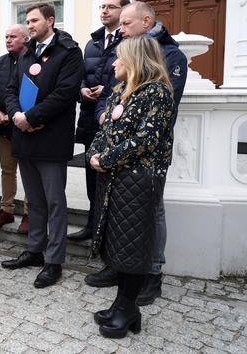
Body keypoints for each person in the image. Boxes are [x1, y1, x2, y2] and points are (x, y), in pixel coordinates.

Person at [85, 2, 187, 305]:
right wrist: (104, 125)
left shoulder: (169, 59)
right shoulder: (123, 67)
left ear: (146, 22)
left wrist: (108, 155)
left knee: (148, 216)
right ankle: (119, 268)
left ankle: (149, 275)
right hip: (117, 158)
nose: (121, 29)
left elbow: (153, 126)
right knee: (119, 216)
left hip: (142, 165)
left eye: (126, 24)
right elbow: (108, 95)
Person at [88, 36, 175, 339]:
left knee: (134, 244)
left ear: (136, 60)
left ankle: (127, 307)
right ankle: (123, 305)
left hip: (140, 178)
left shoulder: (158, 93)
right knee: (119, 241)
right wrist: (94, 154)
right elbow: (105, 130)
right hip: (114, 176)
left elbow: (145, 140)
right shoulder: (120, 92)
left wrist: (106, 159)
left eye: (120, 58)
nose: (114, 63)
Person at [0, 3, 83, 289]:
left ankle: (54, 260)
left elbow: (65, 93)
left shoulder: (69, 52)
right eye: (27, 20)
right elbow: (11, 90)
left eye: (34, 20)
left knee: (55, 202)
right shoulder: (27, 53)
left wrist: (32, 117)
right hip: (25, 138)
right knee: (34, 200)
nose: (30, 24)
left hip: (51, 138)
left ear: (51, 20)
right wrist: (16, 116)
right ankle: (35, 250)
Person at [68, 0, 129, 242]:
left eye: (111, 7)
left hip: (114, 118)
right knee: (91, 175)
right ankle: (92, 225)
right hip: (90, 116)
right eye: (102, 6)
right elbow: (81, 73)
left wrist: (110, 91)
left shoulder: (128, 42)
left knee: (111, 176)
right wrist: (82, 89)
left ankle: (109, 231)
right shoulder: (92, 43)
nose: (104, 11)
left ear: (123, 12)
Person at [0, 24, 30, 233]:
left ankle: (30, 213)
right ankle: (6, 210)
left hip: (26, 127)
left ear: (25, 38)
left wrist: (19, 116)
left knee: (29, 172)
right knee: (7, 170)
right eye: (6, 36)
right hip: (3, 127)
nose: (8, 40)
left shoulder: (33, 60)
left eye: (13, 36)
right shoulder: (0, 62)